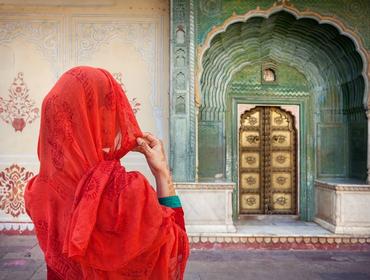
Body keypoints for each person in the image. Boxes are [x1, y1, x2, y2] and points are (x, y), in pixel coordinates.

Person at [24, 66, 189, 279]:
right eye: (108, 109)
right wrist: (162, 172)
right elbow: (173, 250)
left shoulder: (37, 191)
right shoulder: (123, 193)